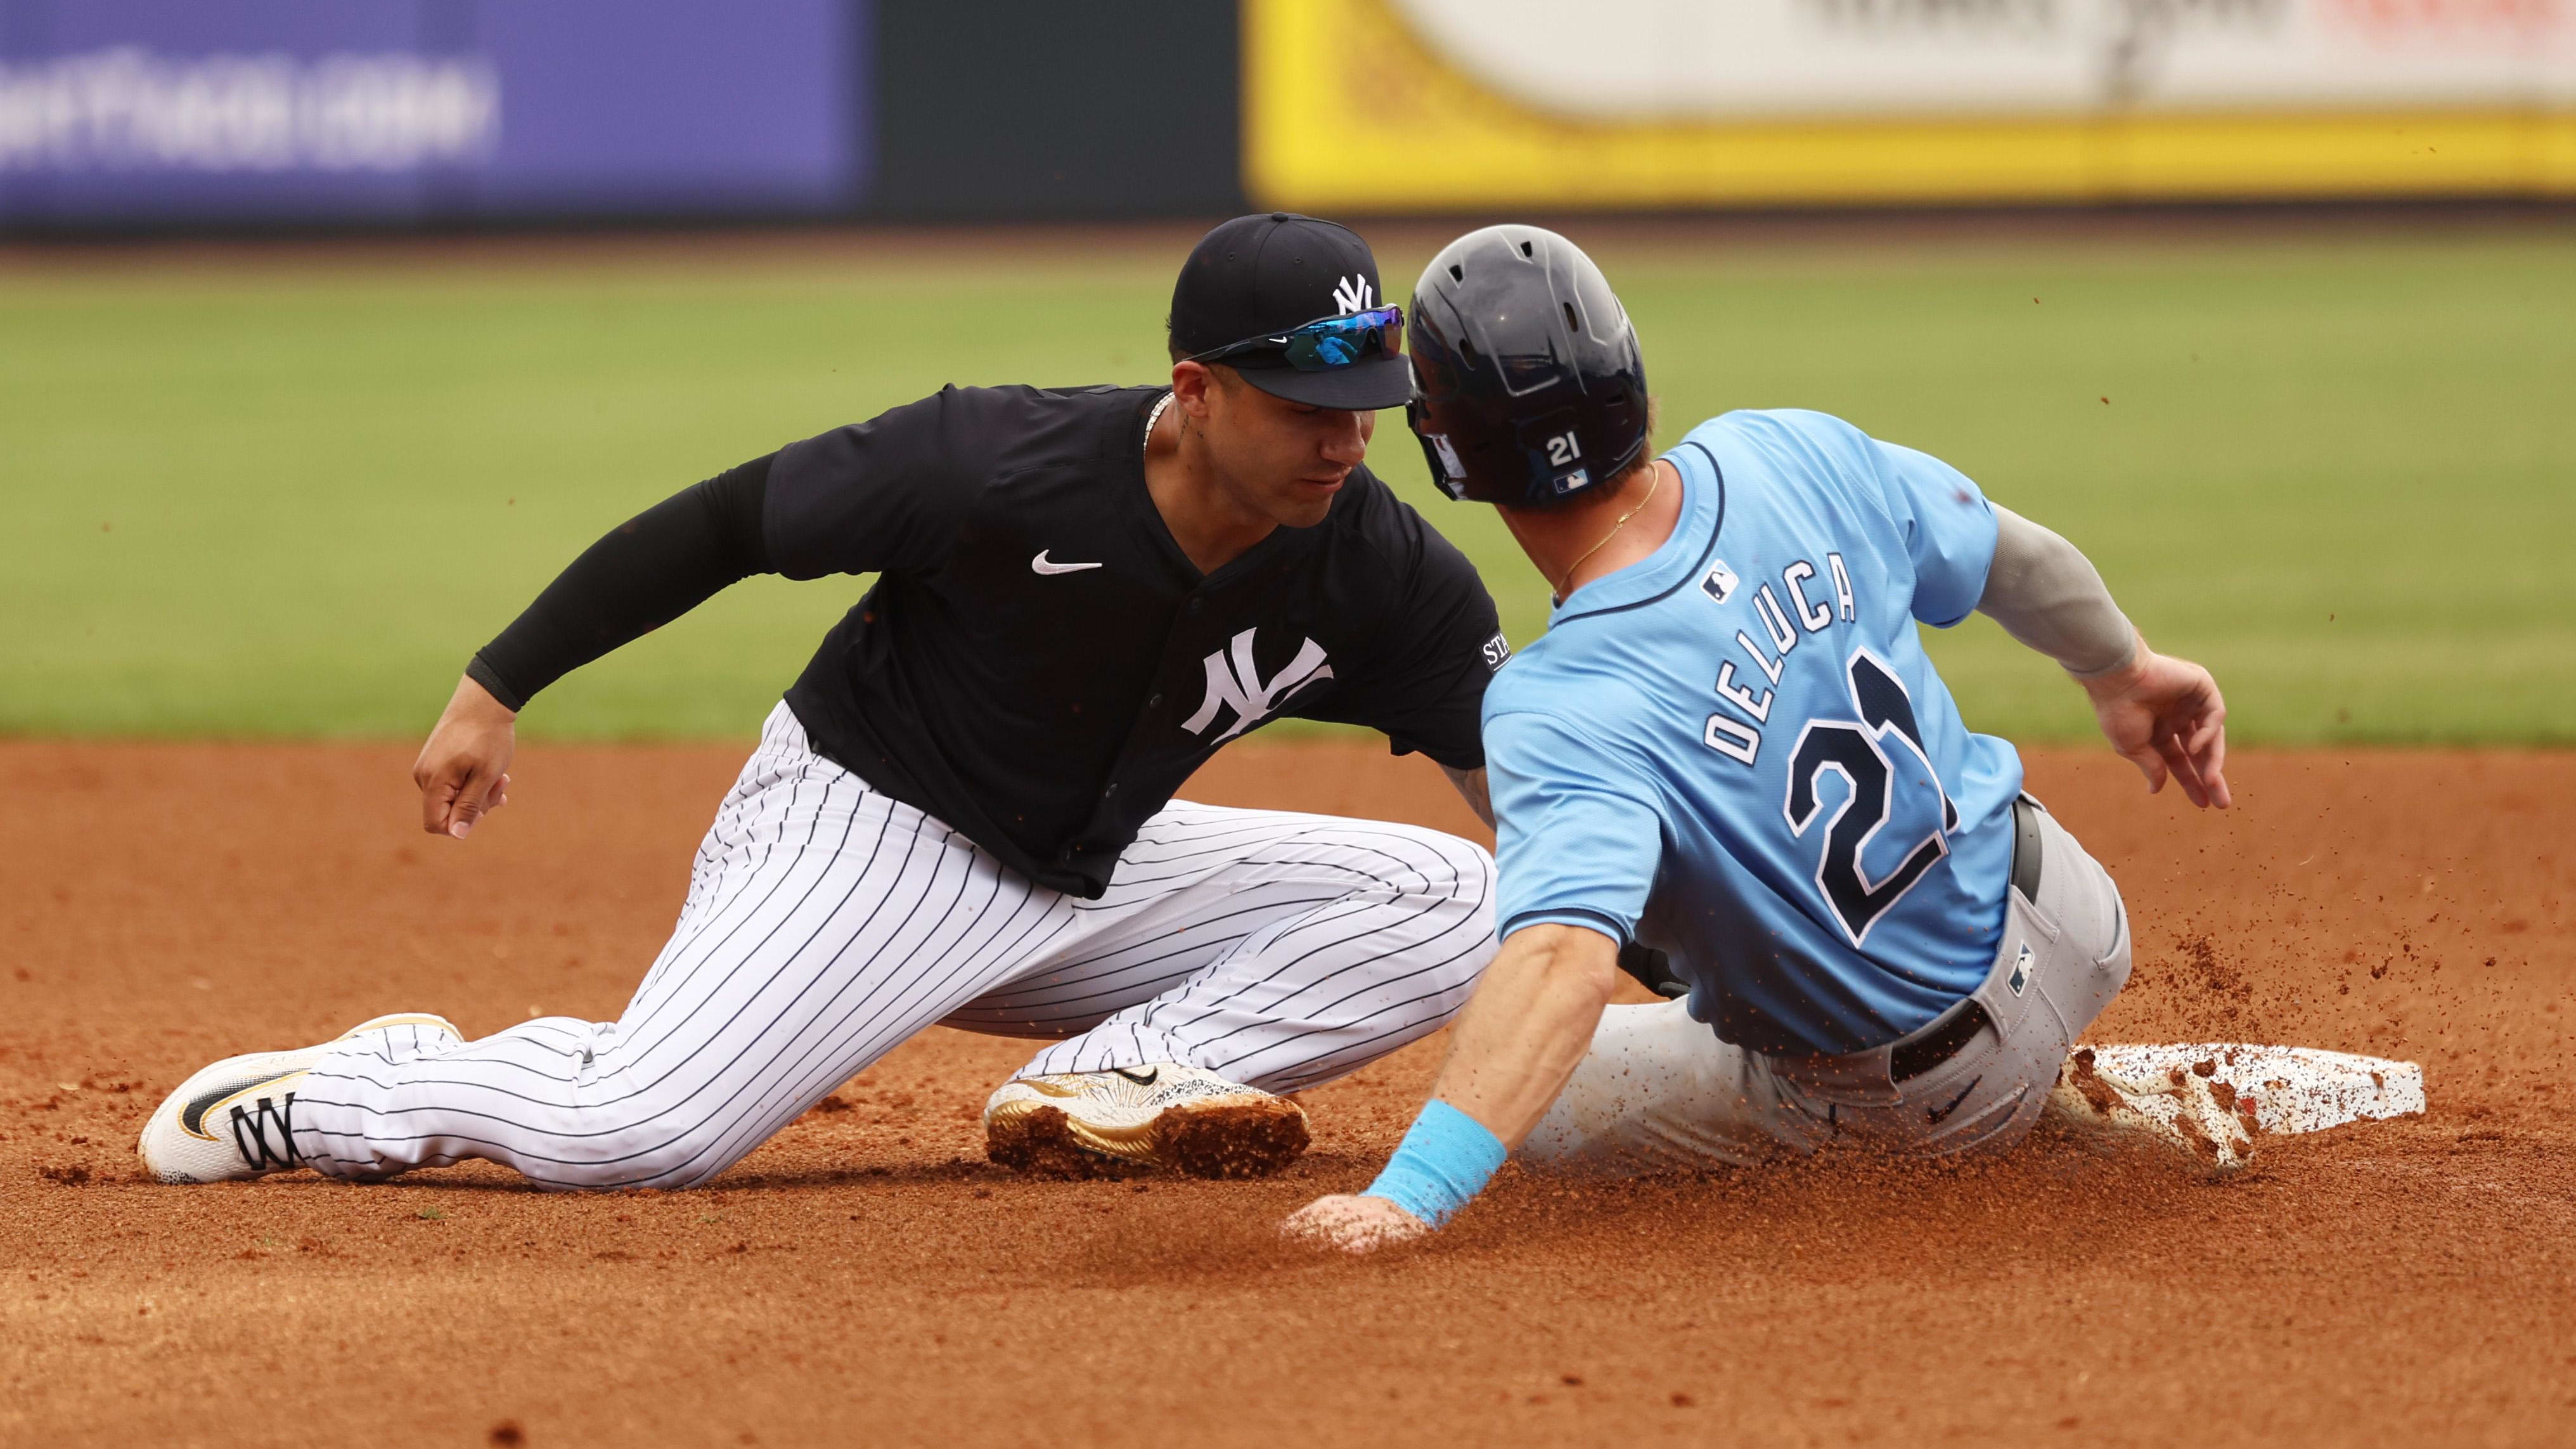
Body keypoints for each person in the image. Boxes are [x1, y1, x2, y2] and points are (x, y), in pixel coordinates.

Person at [140, 213, 1508, 1192]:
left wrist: (1694, 968)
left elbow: (1525, 791)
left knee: (1470, 901)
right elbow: (728, 523)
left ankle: (1115, 1077)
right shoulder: (995, 462)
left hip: (1092, 870)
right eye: (1304, 405)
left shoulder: (1375, 564)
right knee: (641, 1130)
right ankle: (349, 1092)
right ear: (1198, 393)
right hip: (870, 832)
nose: (1346, 438)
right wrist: (497, 684)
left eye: (1365, 400)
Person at [1284, 225, 2246, 1254]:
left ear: (1446, 454)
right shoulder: (1784, 450)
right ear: (1637, 390)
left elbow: (1563, 958)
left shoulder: (1558, 701)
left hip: (1923, 1094)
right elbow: (2017, 555)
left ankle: (2022, 1123)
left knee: (1548, 1102)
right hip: (2075, 917)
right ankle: (2044, 1081)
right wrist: (2127, 672)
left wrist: (1408, 1197)